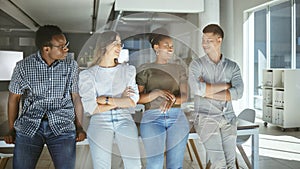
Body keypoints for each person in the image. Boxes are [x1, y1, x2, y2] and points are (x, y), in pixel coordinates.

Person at [4, 25, 86, 169]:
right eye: (61, 46)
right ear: (46, 48)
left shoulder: (71, 66)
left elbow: (76, 98)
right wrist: (12, 129)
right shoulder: (23, 67)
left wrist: (79, 127)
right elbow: (13, 99)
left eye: (66, 45)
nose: (66, 49)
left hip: (62, 124)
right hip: (30, 124)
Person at [78, 30, 141, 169]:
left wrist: (104, 99)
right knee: (102, 166)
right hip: (99, 120)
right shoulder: (88, 75)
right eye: (115, 43)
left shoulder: (128, 70)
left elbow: (132, 101)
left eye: (120, 43)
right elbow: (91, 108)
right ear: (103, 46)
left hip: (125, 118)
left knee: (134, 165)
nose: (119, 47)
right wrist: (120, 100)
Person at [188, 24, 244, 169]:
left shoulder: (233, 66)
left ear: (219, 40)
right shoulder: (196, 65)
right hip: (206, 118)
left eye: (209, 40)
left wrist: (206, 91)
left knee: (231, 164)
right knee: (219, 163)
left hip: (228, 118)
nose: (204, 44)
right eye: (203, 40)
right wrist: (226, 86)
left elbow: (239, 92)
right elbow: (196, 88)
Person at [136, 28, 190, 169]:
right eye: (166, 45)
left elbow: (185, 97)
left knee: (175, 165)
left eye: (172, 46)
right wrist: (156, 93)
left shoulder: (179, 69)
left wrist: (172, 101)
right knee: (155, 163)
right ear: (156, 47)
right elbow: (137, 98)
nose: (170, 49)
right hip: (152, 117)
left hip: (177, 117)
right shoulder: (145, 68)